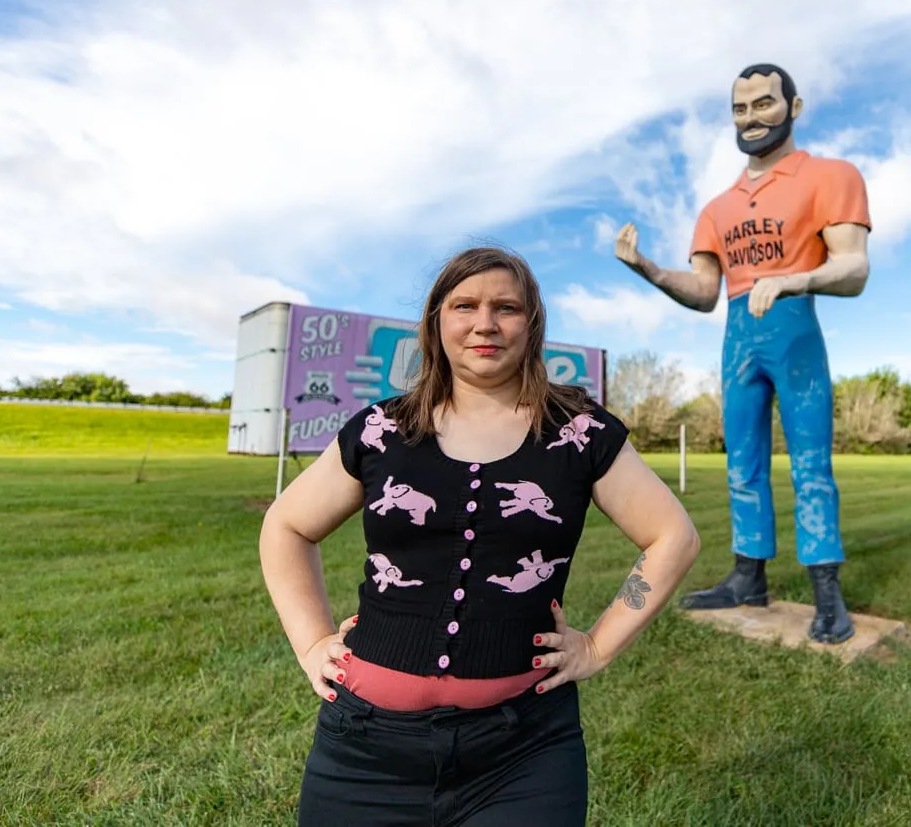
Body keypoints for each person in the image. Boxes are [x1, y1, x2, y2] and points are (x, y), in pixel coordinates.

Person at [259, 244, 701, 826]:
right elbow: (285, 525)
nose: (485, 324)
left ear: (532, 323)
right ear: (436, 321)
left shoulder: (579, 432)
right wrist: (313, 642)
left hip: (524, 753)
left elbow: (673, 536)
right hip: (364, 750)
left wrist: (597, 646)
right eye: (465, 305)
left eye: (507, 308)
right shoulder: (381, 430)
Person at [614, 62, 870, 645]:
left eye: (764, 103)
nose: (751, 117)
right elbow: (705, 293)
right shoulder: (718, 207)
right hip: (737, 336)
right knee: (742, 464)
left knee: (811, 465)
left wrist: (793, 281)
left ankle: (827, 593)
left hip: (794, 329)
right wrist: (649, 268)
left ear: (794, 107)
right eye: (740, 107)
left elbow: (854, 268)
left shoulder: (831, 175)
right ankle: (747, 577)